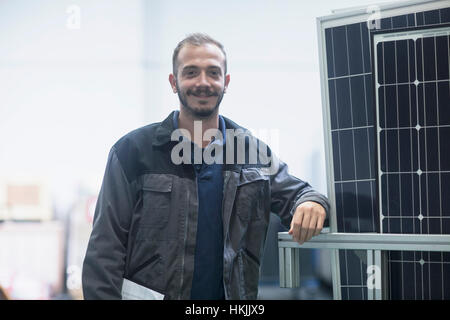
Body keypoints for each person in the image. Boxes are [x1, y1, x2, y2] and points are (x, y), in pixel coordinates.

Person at [82, 33, 330, 300]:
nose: (203, 82)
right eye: (191, 72)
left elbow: (297, 194)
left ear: (226, 81)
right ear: (173, 82)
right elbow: (105, 252)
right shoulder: (133, 152)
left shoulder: (251, 152)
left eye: (213, 73)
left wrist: (312, 202)